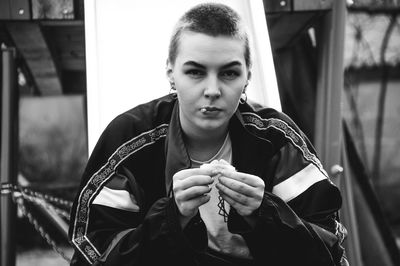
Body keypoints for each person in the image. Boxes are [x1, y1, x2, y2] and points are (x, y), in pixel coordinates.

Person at [68, 3, 349, 266]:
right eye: (195, 72)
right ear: (171, 72)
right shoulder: (128, 141)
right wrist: (170, 217)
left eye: (228, 73)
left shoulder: (277, 140)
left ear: (248, 75)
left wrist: (266, 213)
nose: (212, 90)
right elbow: (91, 254)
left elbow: (331, 251)